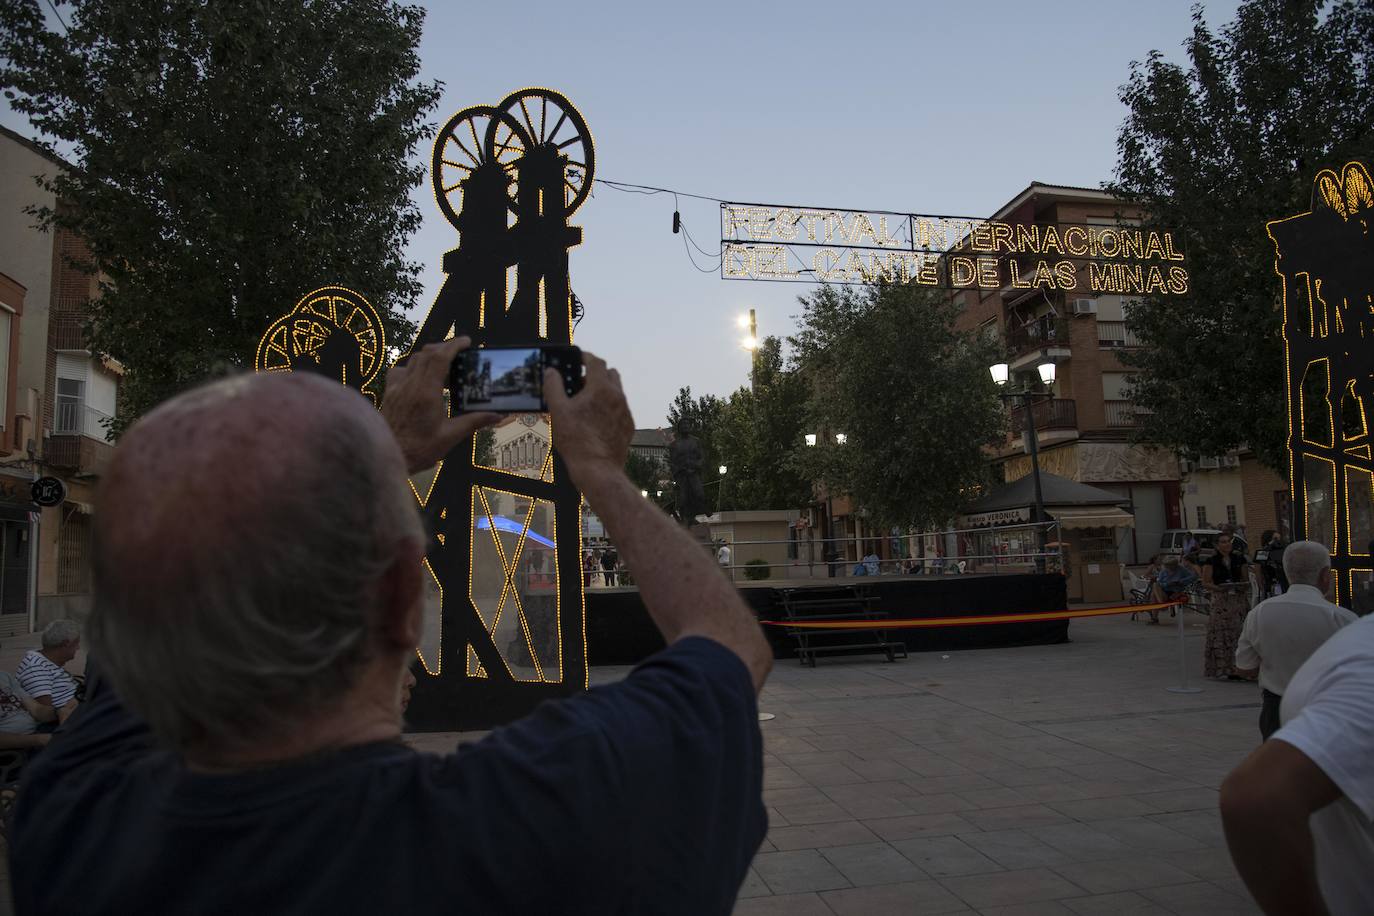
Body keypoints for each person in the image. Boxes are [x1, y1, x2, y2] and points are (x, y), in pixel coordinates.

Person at [11, 338, 773, 914]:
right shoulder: (538, 822)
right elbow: (730, 642)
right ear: (405, 595)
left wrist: (379, 453)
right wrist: (599, 468)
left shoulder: (70, 818)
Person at [1219, 611, 1374, 913]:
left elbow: (1244, 666)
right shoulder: (1347, 628)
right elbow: (1257, 796)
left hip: (1284, 706)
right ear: (1325, 584)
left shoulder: (1261, 614)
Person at [1234, 541, 1355, 741]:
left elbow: (1244, 667)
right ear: (1325, 575)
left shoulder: (1259, 613)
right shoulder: (1342, 618)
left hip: (1276, 710)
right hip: (1327, 709)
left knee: (1278, 761)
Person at [1203, 532, 1252, 679]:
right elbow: (1206, 582)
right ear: (1217, 545)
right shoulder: (1211, 561)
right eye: (1223, 542)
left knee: (1238, 632)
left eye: (1228, 541)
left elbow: (1245, 579)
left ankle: (1240, 667)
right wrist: (1219, 588)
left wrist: (1241, 586)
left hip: (1237, 599)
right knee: (1220, 632)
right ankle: (1222, 667)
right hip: (1221, 599)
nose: (1227, 544)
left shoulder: (1239, 559)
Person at [17, 619, 82, 723]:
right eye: (77, 643)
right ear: (66, 643)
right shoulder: (36, 668)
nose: (78, 648)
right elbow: (45, 713)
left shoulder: (49, 662)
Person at [0, 668, 56, 751]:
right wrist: (38, 740)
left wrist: (59, 711)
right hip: (15, 748)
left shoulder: (4, 676)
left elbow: (36, 710)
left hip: (38, 731)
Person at [1150, 555, 1198, 625]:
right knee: (1155, 585)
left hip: (1176, 591)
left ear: (1175, 565)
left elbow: (1193, 577)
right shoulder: (1163, 571)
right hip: (1165, 591)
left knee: (1153, 595)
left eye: (1170, 565)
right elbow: (1160, 582)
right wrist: (1167, 584)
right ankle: (1161, 604)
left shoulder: (1181, 569)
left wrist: (1180, 581)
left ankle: (1155, 617)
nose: (1168, 567)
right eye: (1167, 566)